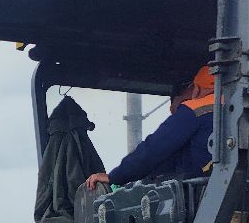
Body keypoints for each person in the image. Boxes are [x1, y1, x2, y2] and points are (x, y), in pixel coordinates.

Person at [82, 66, 216, 191]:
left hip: (203, 195)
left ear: (195, 89)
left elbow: (154, 148)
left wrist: (115, 176)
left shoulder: (195, 109)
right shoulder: (231, 109)